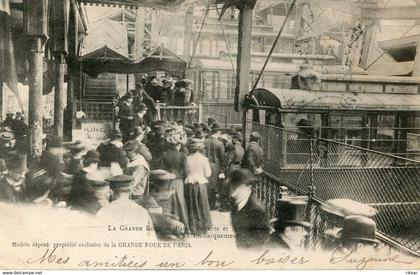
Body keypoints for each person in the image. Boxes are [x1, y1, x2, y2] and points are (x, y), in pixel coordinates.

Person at [97, 174, 157, 241]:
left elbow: (99, 239)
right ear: (131, 191)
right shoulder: (142, 211)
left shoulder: (104, 211)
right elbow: (152, 240)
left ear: (111, 192)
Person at [158, 126, 190, 234]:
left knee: (168, 203)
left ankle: (168, 228)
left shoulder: (164, 154)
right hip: (178, 181)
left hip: (166, 181)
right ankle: (183, 227)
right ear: (178, 144)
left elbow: (161, 169)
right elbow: (187, 172)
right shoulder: (182, 155)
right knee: (180, 203)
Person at [229, 169, 270, 250]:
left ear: (249, 188)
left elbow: (260, 242)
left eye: (239, 186)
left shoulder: (257, 211)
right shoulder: (235, 204)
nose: (234, 189)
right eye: (233, 185)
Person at [185, 138, 212, 234]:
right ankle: (202, 227)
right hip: (201, 183)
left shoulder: (187, 159)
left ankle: (192, 227)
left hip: (190, 184)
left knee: (191, 205)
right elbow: (208, 174)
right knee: (202, 205)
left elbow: (185, 172)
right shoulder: (204, 159)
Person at [204, 122, 225, 210]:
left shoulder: (205, 141)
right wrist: (222, 170)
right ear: (218, 131)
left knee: (208, 185)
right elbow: (222, 158)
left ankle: (207, 204)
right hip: (216, 167)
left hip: (206, 165)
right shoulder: (219, 144)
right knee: (214, 186)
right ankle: (212, 205)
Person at [122, 140, 150, 205]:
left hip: (136, 197)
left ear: (136, 151)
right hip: (129, 194)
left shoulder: (140, 165)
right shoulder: (132, 160)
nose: (126, 153)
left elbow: (132, 183)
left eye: (128, 151)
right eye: (125, 151)